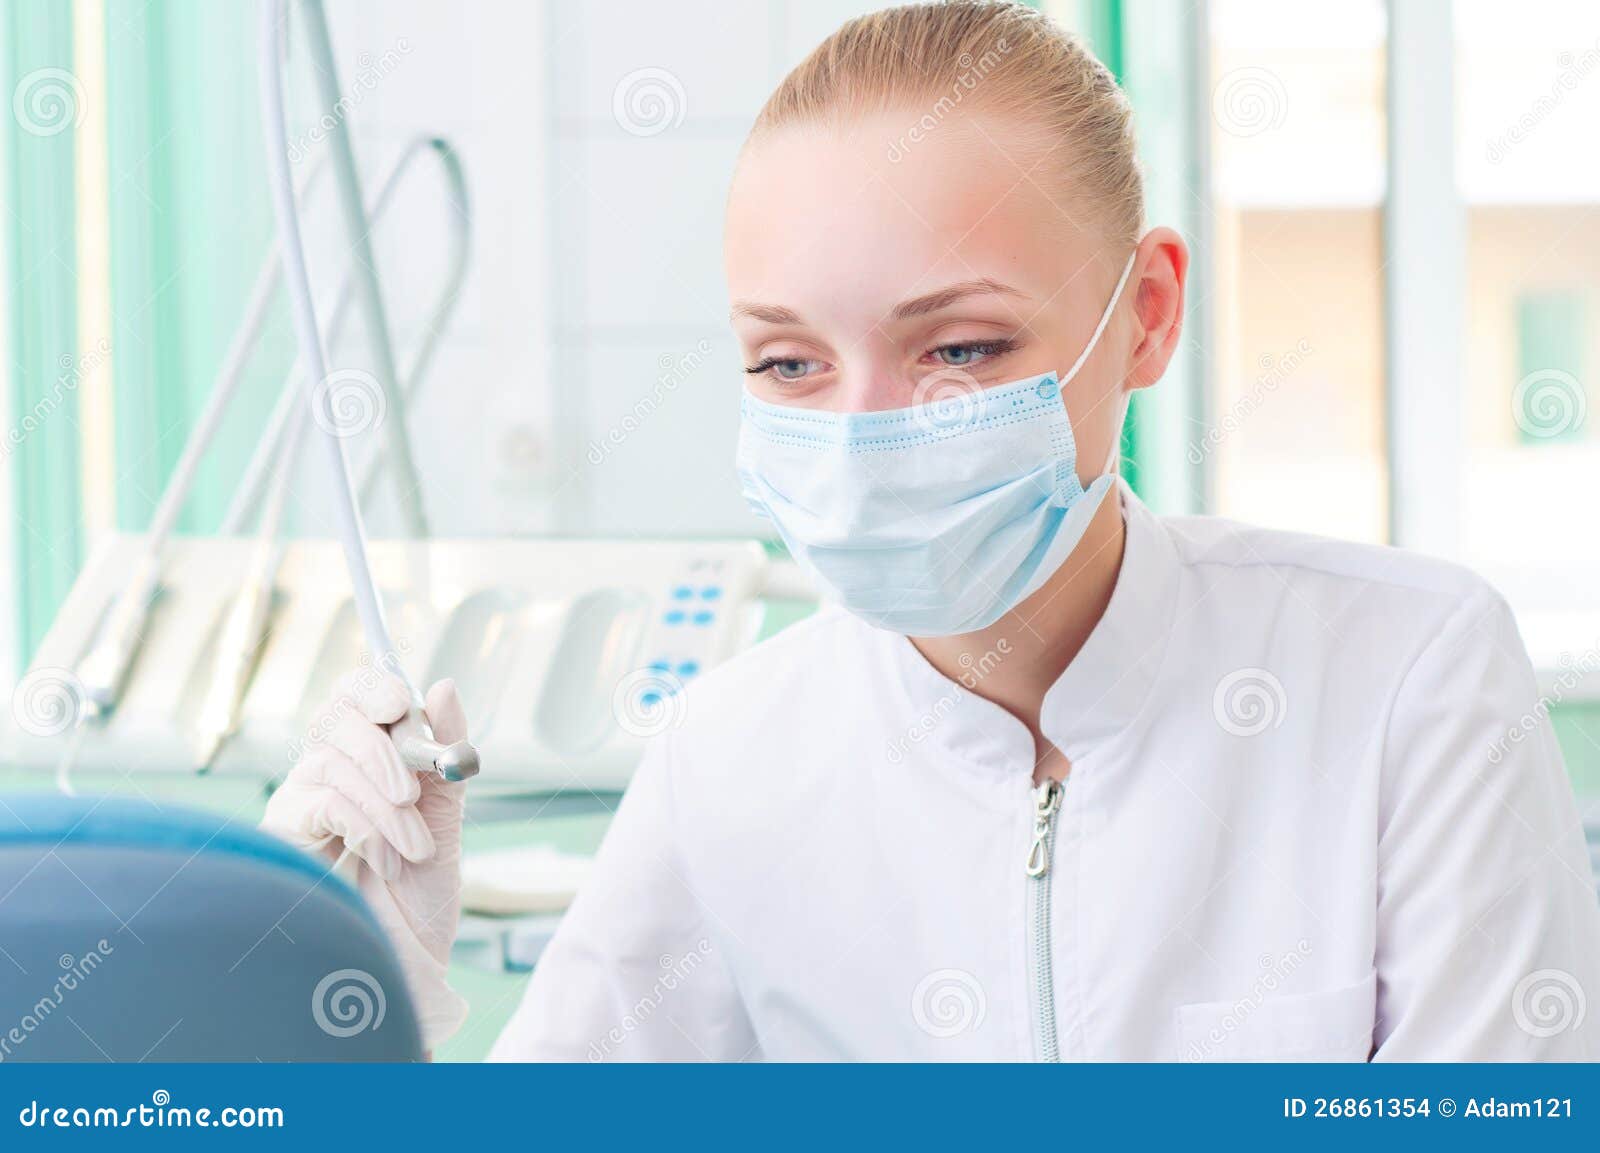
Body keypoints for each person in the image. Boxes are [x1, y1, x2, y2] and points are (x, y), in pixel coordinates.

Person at [263, 1, 1600, 1060]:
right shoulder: (729, 761)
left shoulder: (1407, 680)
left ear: (1144, 314)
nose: (864, 432)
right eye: (789, 363)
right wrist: (363, 988)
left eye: (959, 347)